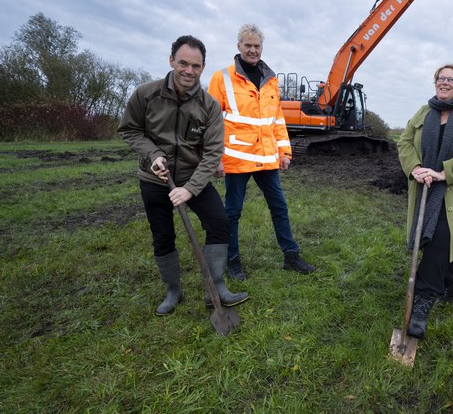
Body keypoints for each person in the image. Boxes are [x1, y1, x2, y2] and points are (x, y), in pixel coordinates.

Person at [118, 35, 250, 316]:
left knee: (219, 222)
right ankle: (173, 291)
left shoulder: (210, 106)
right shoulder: (146, 94)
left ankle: (215, 288)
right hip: (154, 180)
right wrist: (153, 155)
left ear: (203, 67)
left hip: (194, 177)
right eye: (183, 63)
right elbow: (129, 130)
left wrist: (189, 189)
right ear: (171, 61)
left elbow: (214, 152)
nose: (189, 71)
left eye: (196, 66)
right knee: (162, 235)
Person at [208, 24, 316, 279]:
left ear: (261, 48)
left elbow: (277, 120)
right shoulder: (221, 78)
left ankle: (291, 256)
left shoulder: (271, 80)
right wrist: (214, 158)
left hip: (268, 159)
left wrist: (285, 152)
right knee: (232, 213)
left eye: (257, 46)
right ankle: (232, 260)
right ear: (239, 47)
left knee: (280, 207)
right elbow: (210, 121)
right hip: (237, 159)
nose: (253, 50)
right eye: (248, 45)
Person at [397, 63, 453, 339]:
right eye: (441, 78)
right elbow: (404, 142)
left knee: (437, 238)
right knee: (437, 239)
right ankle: (450, 282)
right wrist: (414, 168)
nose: (445, 83)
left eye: (451, 79)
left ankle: (423, 303)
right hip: (425, 186)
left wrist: (442, 173)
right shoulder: (424, 112)